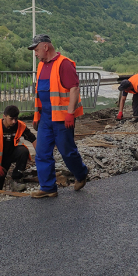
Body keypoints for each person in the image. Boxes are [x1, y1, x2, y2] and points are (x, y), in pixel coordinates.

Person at [29, 34, 89, 198]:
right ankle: (48, 188)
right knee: (42, 153)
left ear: (45, 47)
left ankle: (81, 173)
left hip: (63, 118)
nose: (35, 53)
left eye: (36, 49)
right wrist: (37, 115)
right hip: (46, 118)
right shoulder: (41, 66)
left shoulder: (64, 64)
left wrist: (70, 114)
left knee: (67, 151)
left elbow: (74, 89)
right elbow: (39, 93)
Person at [0, 105, 37, 195]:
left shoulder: (20, 125)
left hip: (12, 153)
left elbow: (33, 139)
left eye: (16, 119)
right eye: (11, 119)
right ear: (4, 116)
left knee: (23, 151)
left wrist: (41, 155)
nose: (14, 121)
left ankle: (16, 178)